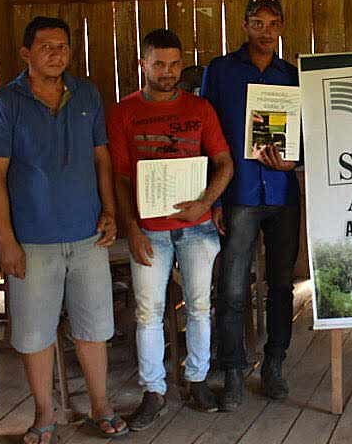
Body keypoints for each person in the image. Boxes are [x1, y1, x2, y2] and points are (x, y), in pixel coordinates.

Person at [0, 16, 126, 441]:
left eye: (62, 46)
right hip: (32, 242)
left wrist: (110, 211)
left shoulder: (86, 94)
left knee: (94, 328)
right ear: (26, 54)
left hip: (87, 235)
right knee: (34, 334)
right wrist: (6, 241)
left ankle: (100, 405)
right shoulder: (5, 104)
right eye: (45, 46)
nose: (55, 53)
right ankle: (44, 413)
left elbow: (102, 159)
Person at [109, 29, 234, 429]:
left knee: (199, 306)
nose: (167, 72)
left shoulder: (200, 108)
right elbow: (121, 176)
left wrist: (207, 203)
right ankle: (154, 391)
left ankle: (196, 378)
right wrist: (132, 227)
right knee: (149, 313)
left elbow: (224, 163)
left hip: (196, 226)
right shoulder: (122, 112)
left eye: (174, 63)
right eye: (158, 63)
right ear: (142, 64)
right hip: (149, 231)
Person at [201, 0, 300, 411]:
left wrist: (292, 161)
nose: (264, 31)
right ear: (244, 26)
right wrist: (214, 198)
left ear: (281, 27)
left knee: (281, 285)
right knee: (233, 288)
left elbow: (308, 133)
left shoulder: (293, 75)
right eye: (256, 23)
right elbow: (205, 136)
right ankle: (235, 372)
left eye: (272, 23)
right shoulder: (220, 72)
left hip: (281, 193)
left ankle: (274, 364)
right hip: (237, 194)